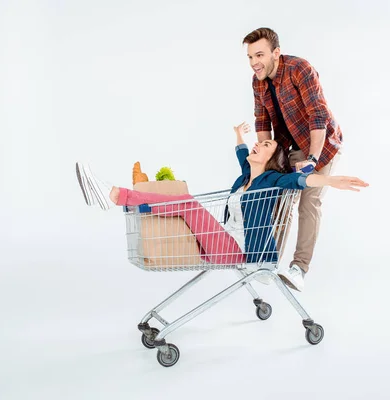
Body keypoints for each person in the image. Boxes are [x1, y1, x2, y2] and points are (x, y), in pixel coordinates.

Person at [76, 123, 368, 287]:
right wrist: (240, 136)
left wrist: (331, 181)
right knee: (185, 204)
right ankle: (127, 201)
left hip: (241, 251)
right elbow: (243, 154)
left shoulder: (272, 181)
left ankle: (115, 196)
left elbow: (301, 183)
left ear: (272, 161)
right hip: (223, 240)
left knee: (187, 204)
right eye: (259, 143)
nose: (258, 145)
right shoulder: (245, 177)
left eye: (265, 146)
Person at [243, 27, 344, 291]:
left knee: (308, 202)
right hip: (288, 146)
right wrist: (265, 160)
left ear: (276, 53)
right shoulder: (258, 81)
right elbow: (262, 121)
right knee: (278, 200)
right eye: (251, 57)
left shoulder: (300, 69)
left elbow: (317, 115)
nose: (255, 63)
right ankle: (267, 261)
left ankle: (299, 268)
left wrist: (312, 157)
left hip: (319, 143)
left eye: (260, 55)